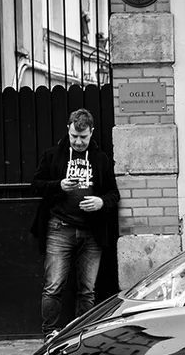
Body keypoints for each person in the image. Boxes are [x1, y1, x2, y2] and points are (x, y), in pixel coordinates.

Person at [30, 108, 120, 342]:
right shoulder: (52, 155)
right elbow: (36, 185)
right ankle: (49, 334)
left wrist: (101, 202)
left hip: (92, 232)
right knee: (53, 286)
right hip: (60, 227)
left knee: (87, 289)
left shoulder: (101, 159)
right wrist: (58, 186)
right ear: (68, 131)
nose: (79, 142)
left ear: (92, 132)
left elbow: (113, 194)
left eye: (83, 137)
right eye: (74, 137)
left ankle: (82, 334)